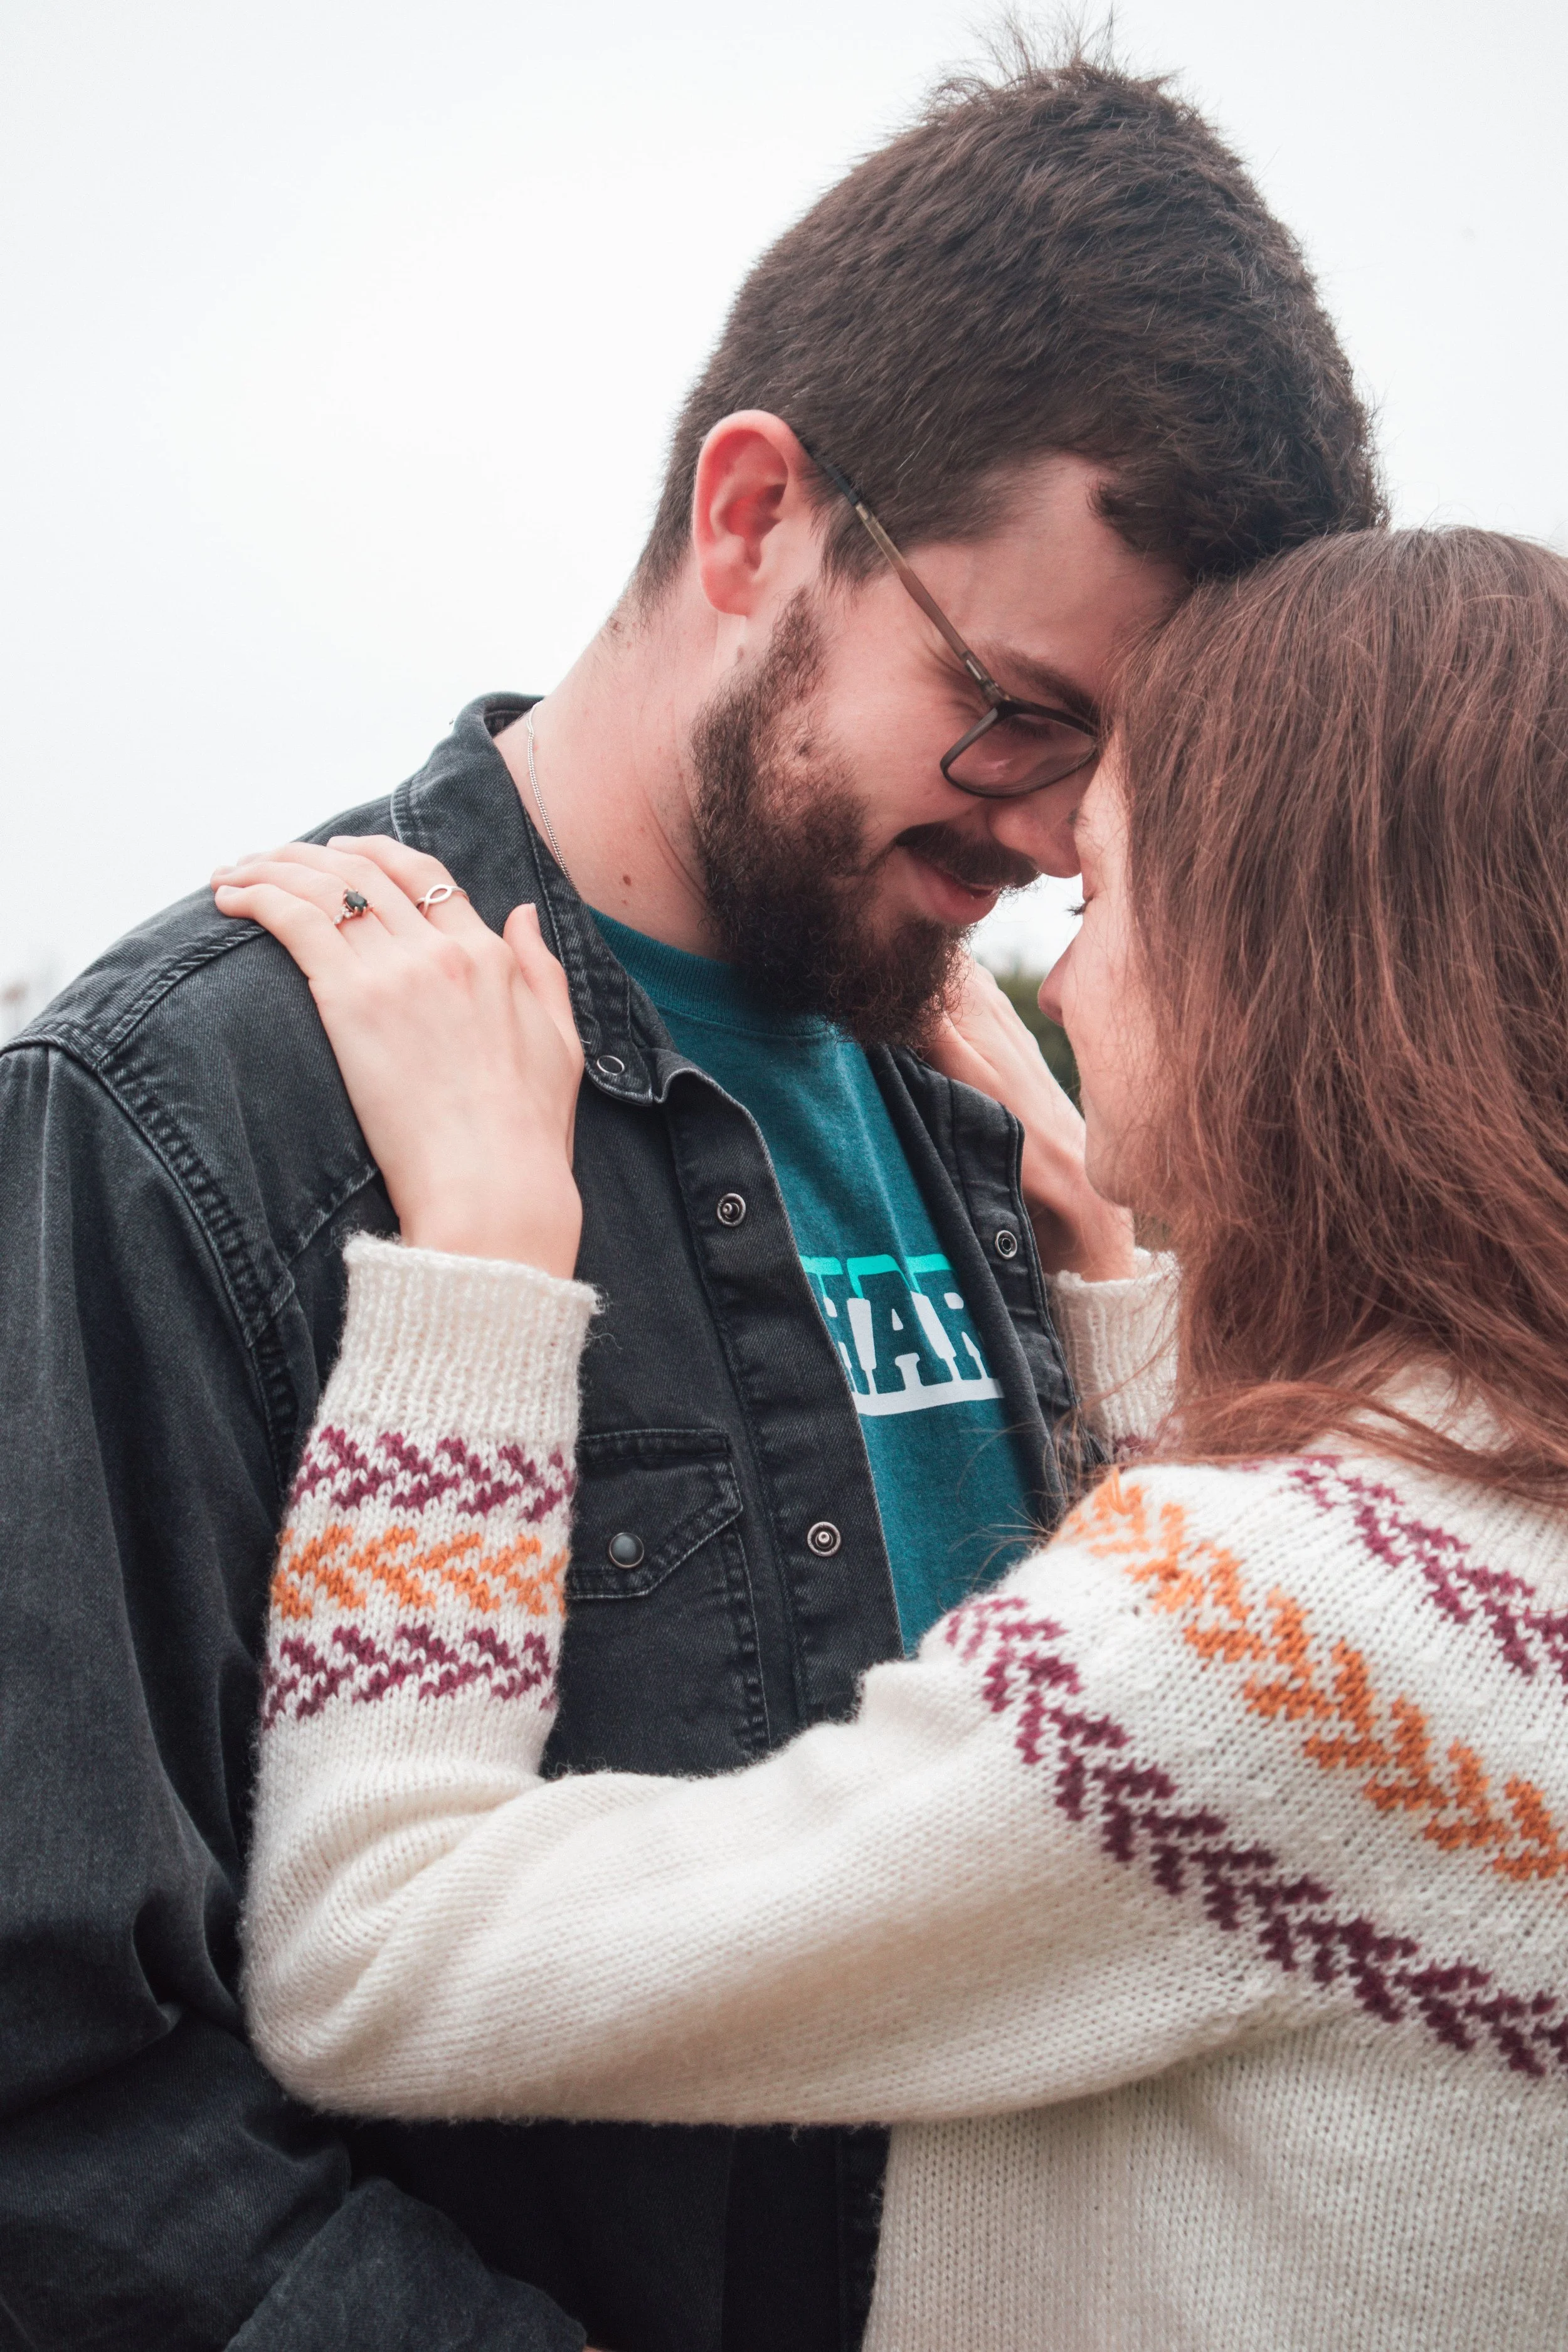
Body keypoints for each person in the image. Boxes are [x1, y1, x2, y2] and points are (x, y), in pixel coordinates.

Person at [0, 51, 1380, 2352]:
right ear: (754, 519)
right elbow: (56, 2112)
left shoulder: (985, 1104)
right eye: (1018, 707)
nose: (1054, 838)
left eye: (1111, 776)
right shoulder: (190, 1110)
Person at [234, 525, 1568, 2352]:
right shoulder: (1492, 1528)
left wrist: (479, 1269)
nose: (1059, 983)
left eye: (1097, 891)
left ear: (1277, 952)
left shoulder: (1270, 1654)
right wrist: (1108, 1258)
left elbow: (376, 1957)